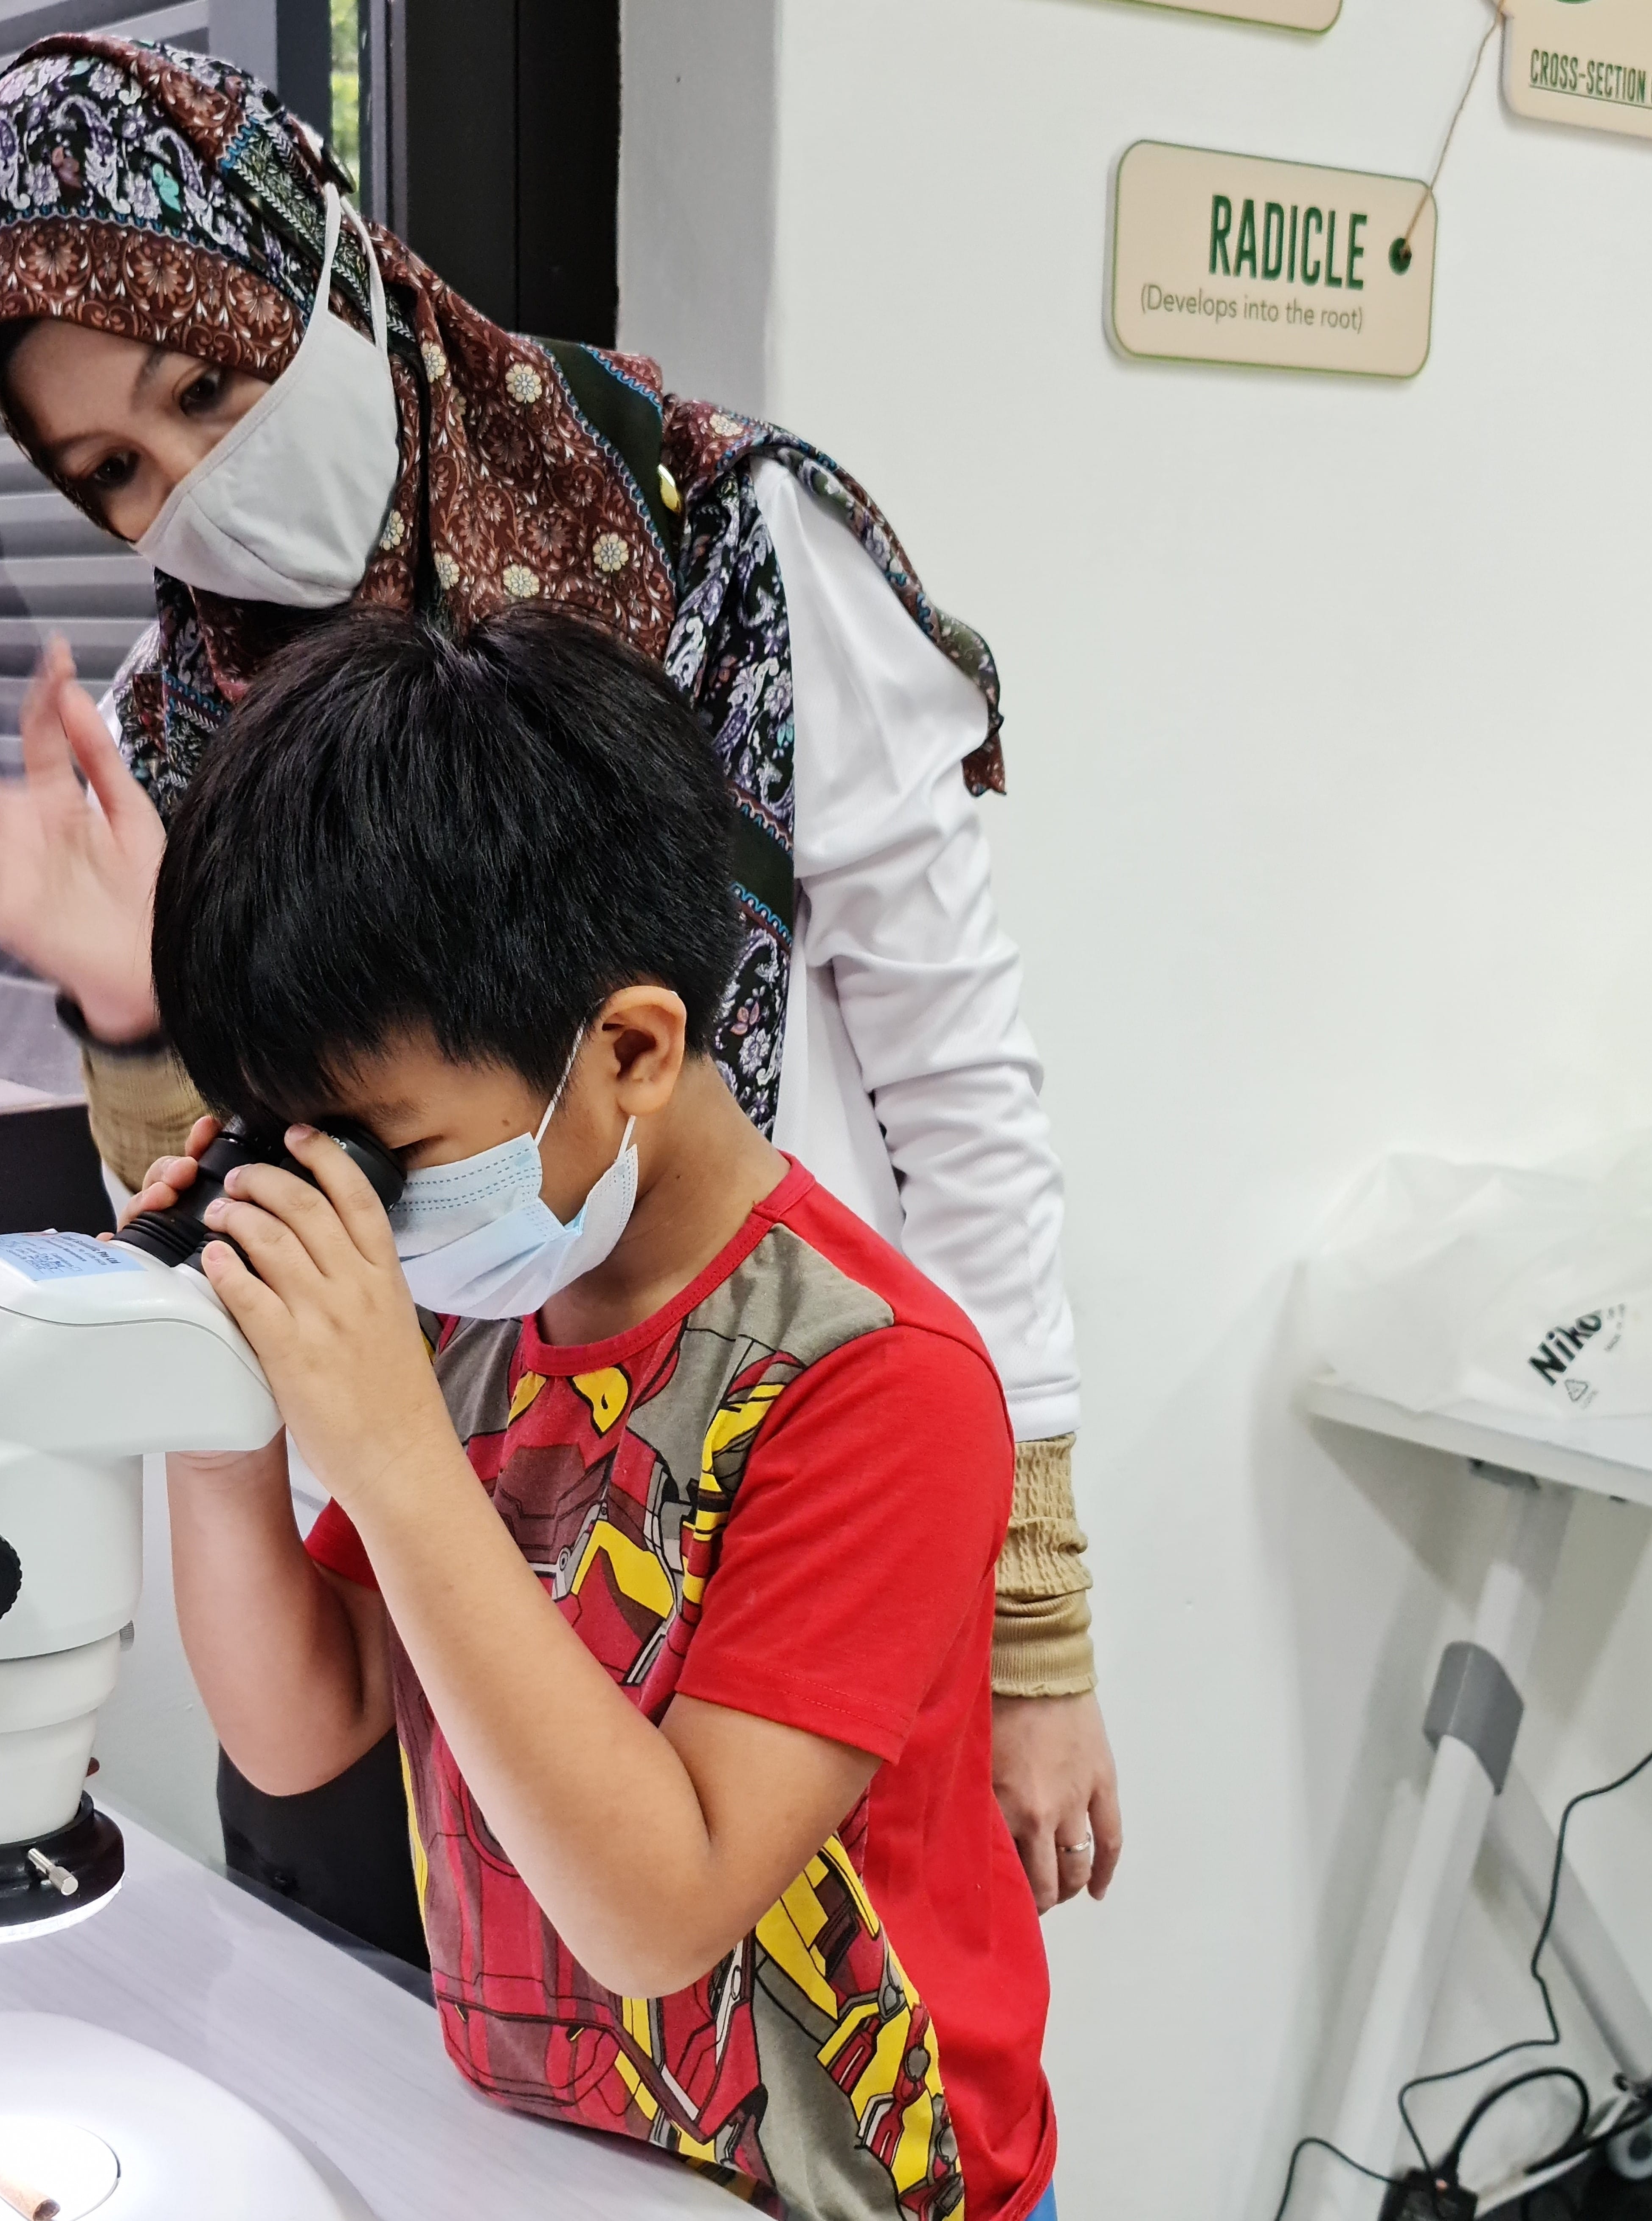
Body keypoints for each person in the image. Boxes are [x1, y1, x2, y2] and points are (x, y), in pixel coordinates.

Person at [0, 34, 1117, 1928]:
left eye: (210, 383)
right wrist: (142, 1016)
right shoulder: (186, 726)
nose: (200, 485)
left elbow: (956, 1073)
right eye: (119, 473)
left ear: (312, 253)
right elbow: (277, 1174)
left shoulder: (723, 540)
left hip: (770, 1481)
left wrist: (1035, 1616)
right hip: (445, 1512)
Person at [135, 602, 1057, 2217]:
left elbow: (663, 1905)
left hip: (859, 2190)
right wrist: (226, 1418)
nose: (355, 1207)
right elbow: (303, 1724)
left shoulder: (875, 1386)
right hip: (556, 2162)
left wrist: (399, 1460)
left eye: (380, 1151)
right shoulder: (493, 1313)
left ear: (629, 1048)